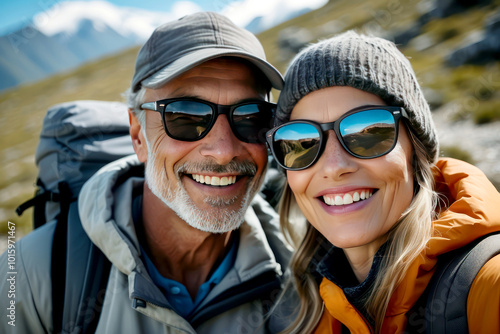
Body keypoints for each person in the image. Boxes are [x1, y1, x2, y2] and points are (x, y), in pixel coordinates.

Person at [0, 12, 293, 333]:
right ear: (138, 134)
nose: (224, 151)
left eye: (250, 117)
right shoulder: (29, 272)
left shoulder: (299, 273)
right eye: (185, 116)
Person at [265, 31, 500, 333]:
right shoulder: (298, 316)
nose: (334, 167)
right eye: (303, 143)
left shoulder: (488, 287)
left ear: (416, 152)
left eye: (367, 132)